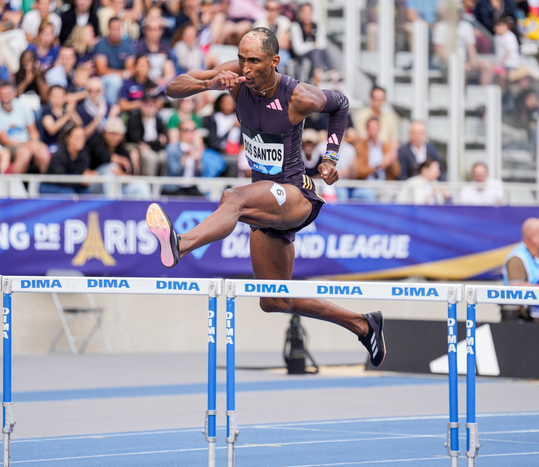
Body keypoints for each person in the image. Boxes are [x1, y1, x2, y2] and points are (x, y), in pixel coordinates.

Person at [147, 27, 387, 368]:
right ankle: (363, 324)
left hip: (295, 194)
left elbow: (341, 104)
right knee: (274, 300)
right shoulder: (235, 77)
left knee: (233, 198)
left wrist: (331, 157)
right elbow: (173, 88)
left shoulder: (298, 96)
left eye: (254, 61)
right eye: (241, 59)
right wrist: (210, 83)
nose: (245, 67)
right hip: (265, 199)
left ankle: (181, 244)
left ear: (274, 61)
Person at [0, 79, 50, 174]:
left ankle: (47, 182)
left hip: (27, 142)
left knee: (43, 151)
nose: (4, 98)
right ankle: (12, 182)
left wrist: (34, 142)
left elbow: (33, 131)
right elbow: (4, 140)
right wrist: (27, 145)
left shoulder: (23, 106)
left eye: (8, 94)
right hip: (8, 146)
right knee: (25, 153)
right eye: (1, 95)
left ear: (14, 94)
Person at [290, 3, 338, 85]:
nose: (307, 16)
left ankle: (331, 72)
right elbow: (298, 49)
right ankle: (319, 73)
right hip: (300, 55)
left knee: (321, 50)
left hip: (314, 53)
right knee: (316, 51)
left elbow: (323, 44)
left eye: (309, 13)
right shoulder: (295, 26)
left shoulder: (317, 25)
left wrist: (312, 46)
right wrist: (312, 45)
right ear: (300, 14)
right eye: (304, 13)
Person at [40, 123, 94, 194]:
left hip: (73, 184)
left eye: (82, 137)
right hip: (51, 184)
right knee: (69, 194)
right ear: (67, 138)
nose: (80, 140)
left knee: (87, 194)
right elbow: (60, 179)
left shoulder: (85, 155)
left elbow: (83, 173)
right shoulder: (59, 155)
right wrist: (81, 181)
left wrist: (89, 176)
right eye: (77, 137)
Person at [125, 93, 168, 176]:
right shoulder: (133, 119)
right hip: (137, 147)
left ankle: (160, 182)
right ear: (141, 105)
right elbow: (136, 139)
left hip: (154, 148)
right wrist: (157, 142)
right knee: (151, 158)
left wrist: (151, 145)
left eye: (152, 103)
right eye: (147, 103)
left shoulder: (159, 120)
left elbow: (164, 140)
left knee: (164, 156)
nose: (150, 106)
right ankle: (149, 182)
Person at [95, 17, 134, 104]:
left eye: (119, 29)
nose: (116, 32)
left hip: (123, 79)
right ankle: (112, 107)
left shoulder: (127, 46)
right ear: (108, 29)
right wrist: (123, 74)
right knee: (115, 81)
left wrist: (125, 74)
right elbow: (101, 71)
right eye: (114, 29)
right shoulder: (101, 44)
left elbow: (131, 71)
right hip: (104, 79)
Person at [163, 118, 204, 196]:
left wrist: (197, 161)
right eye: (186, 130)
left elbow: (202, 173)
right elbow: (174, 172)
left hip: (191, 188)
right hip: (174, 188)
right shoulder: (172, 148)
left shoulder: (196, 148)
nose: (189, 133)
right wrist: (185, 157)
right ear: (180, 132)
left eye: (192, 130)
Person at [353, 117, 400, 183]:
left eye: (375, 128)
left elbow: (396, 172)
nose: (373, 131)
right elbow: (358, 171)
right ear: (367, 129)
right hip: (365, 184)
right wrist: (379, 166)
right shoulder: (359, 147)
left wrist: (391, 161)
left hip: (384, 183)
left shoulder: (386, 147)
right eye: (371, 128)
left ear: (379, 129)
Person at [39, 84, 81, 154]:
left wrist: (72, 111)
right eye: (54, 96)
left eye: (60, 96)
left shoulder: (67, 110)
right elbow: (51, 129)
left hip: (69, 147)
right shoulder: (46, 112)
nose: (57, 99)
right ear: (49, 97)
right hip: (52, 147)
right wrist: (67, 116)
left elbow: (79, 124)